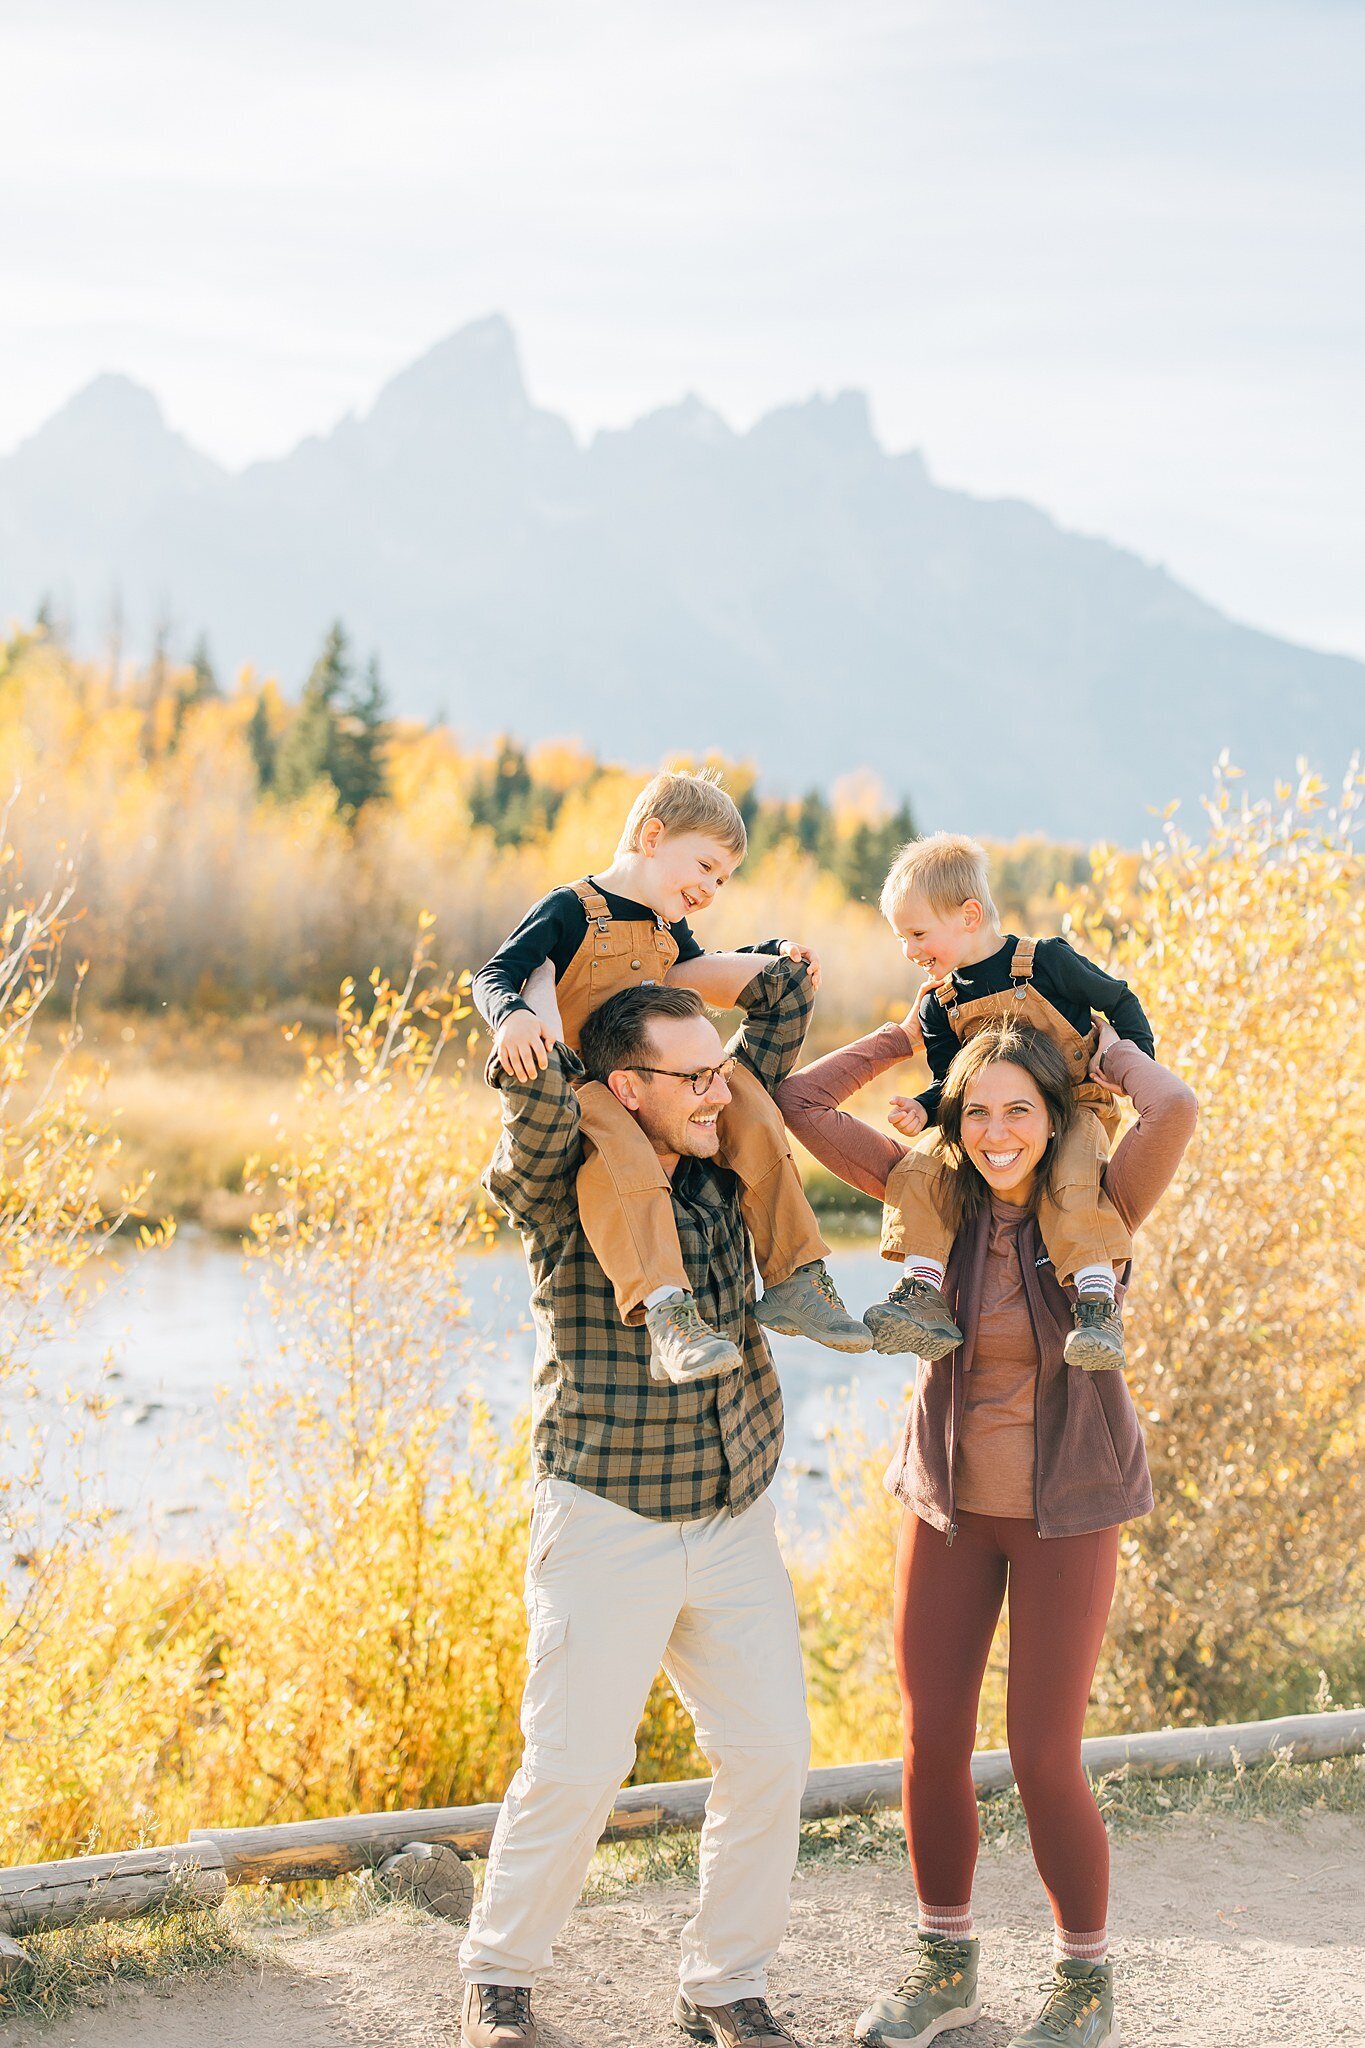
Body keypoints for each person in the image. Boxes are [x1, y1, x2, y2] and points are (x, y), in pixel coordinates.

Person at [777, 1012, 1196, 2048]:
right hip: (949, 1504)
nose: (1000, 1130)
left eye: (1021, 1109)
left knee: (1044, 1752)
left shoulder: (1103, 1198)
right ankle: (945, 1965)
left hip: (1069, 1505)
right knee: (928, 1742)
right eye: (979, 1111)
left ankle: (1085, 1976)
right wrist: (896, 1032)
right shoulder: (934, 1192)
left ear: (1055, 1119)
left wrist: (1108, 1058)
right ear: (956, 1121)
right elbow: (796, 1103)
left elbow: (1174, 1106)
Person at [459, 963, 821, 2048]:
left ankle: (725, 1982)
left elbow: (781, 1013)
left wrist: (704, 958)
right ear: (625, 1084)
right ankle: (499, 1976)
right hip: (608, 1514)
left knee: (771, 1754)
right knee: (574, 1763)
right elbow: (529, 1112)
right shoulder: (563, 1177)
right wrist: (516, 1013)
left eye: (722, 1070)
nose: (722, 1090)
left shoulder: (720, 1163)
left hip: (732, 1513)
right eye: (696, 1075)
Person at [472, 768, 870, 1381]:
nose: (712, 887)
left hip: (661, 1077)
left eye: (724, 878)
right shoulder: (569, 909)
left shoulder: (665, 924)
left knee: (753, 1109)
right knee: (625, 1156)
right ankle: (667, 1313)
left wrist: (773, 953)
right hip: (590, 1088)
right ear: (653, 836)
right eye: (706, 866)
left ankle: (796, 1276)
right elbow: (495, 972)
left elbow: (700, 968)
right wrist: (514, 1016)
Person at [862, 833, 1156, 1374]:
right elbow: (952, 1082)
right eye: (902, 937)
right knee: (924, 1162)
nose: (908, 950)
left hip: (1076, 1105)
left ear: (969, 914)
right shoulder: (939, 1006)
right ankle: (922, 1290)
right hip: (988, 1122)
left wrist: (1136, 1066)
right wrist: (927, 1112)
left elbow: (1118, 999)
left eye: (918, 933)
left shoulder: (1046, 962)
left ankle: (1096, 1305)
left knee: (1072, 1172)